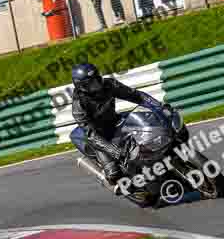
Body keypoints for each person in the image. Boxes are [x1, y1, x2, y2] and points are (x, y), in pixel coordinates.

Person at [69, 62, 173, 193]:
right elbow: (91, 135)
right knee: (113, 173)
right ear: (82, 87)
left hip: (115, 121)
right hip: (99, 136)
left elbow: (136, 96)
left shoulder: (109, 84)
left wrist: (159, 107)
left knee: (148, 134)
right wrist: (114, 151)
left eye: (97, 78)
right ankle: (118, 184)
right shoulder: (79, 105)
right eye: (92, 83)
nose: (97, 84)